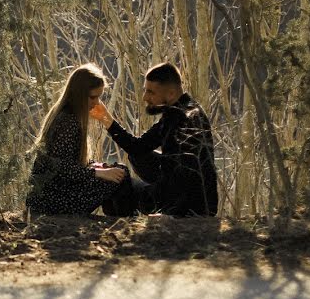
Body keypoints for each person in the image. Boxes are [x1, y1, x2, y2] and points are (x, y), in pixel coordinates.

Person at [90, 62, 219, 217]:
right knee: (136, 155)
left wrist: (170, 214)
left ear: (170, 94)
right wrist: (107, 120)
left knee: (117, 180)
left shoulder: (180, 118)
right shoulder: (183, 109)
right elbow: (138, 147)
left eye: (151, 92)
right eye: (145, 90)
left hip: (185, 205)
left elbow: (184, 177)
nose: (145, 97)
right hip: (191, 199)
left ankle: (123, 225)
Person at [26, 63, 134, 216]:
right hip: (51, 201)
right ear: (79, 94)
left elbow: (72, 161)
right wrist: (98, 173)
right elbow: (59, 168)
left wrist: (100, 167)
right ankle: (124, 221)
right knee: (121, 175)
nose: (97, 103)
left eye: (99, 97)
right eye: (93, 97)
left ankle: (119, 218)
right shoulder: (67, 121)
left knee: (118, 171)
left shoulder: (70, 116)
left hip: (53, 195)